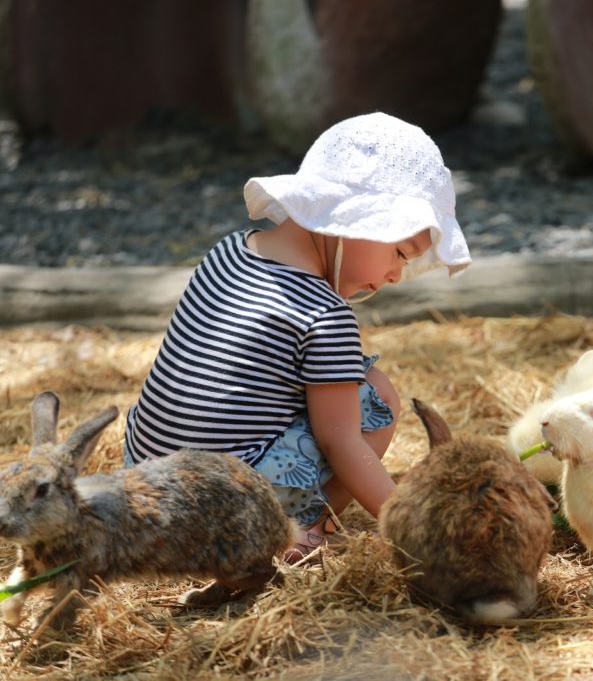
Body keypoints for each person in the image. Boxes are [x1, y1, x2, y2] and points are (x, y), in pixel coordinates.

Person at [123, 112, 472, 562]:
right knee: (378, 399)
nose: (396, 275)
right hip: (226, 519)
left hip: (142, 489)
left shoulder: (228, 251)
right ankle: (304, 530)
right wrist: (414, 532)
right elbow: (339, 442)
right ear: (355, 220)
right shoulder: (324, 313)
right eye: (399, 252)